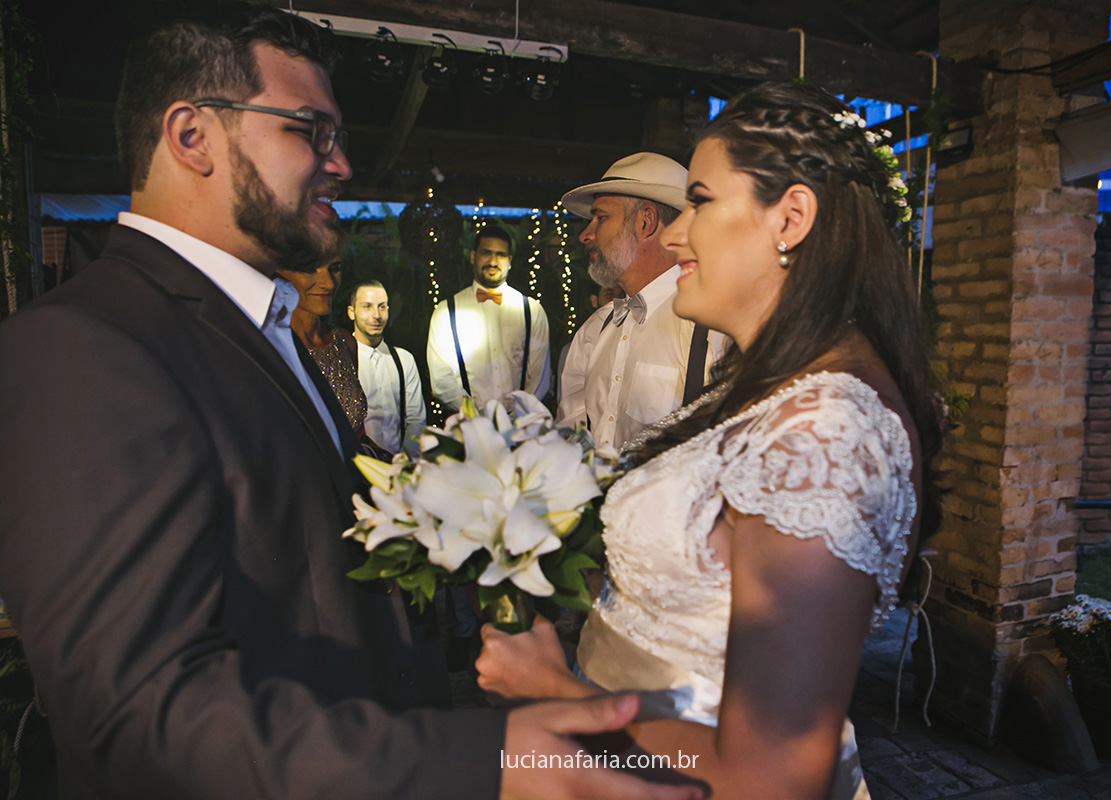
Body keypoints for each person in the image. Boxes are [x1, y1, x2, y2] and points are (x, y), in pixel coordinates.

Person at [0, 7, 703, 800]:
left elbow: (299, 556)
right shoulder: (80, 345)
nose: (341, 164)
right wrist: (487, 760)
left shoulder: (260, 327)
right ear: (190, 135)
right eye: (310, 131)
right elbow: (136, 715)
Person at [476, 82, 944, 799]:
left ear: (790, 217)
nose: (672, 232)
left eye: (699, 200)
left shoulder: (824, 431)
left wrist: (557, 689)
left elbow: (775, 776)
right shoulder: (771, 386)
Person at [556, 152, 722, 451]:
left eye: (601, 217)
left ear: (646, 222)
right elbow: (570, 437)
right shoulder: (595, 329)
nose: (585, 234)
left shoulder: (712, 328)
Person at [426, 225, 550, 411]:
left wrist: (517, 417)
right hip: (467, 425)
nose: (493, 261)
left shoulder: (532, 310)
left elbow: (540, 376)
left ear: (509, 261)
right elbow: (441, 378)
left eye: (500, 255)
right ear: (473, 256)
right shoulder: (446, 311)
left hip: (520, 426)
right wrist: (474, 415)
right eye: (486, 253)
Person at [278, 259, 368, 435]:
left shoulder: (344, 341)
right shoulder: (274, 346)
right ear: (281, 273)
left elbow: (355, 434)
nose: (329, 283)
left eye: (334, 269)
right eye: (311, 269)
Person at [348, 279, 426, 458]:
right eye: (367, 307)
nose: (376, 315)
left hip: (402, 465)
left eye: (382, 307)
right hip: (359, 466)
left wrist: (404, 463)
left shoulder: (404, 359)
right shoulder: (343, 359)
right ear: (351, 312)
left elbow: (416, 420)